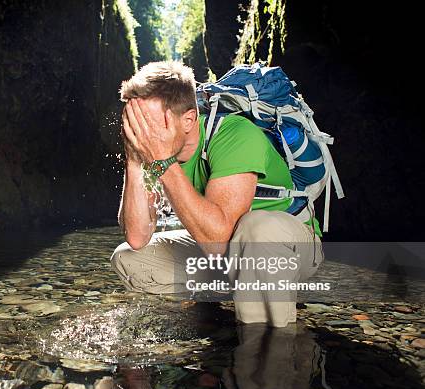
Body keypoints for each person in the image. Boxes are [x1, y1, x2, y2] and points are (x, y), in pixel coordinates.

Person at [110, 61, 323, 327]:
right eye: (135, 124)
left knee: (257, 229)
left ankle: (268, 346)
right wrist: (133, 157)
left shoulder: (236, 134)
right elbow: (137, 236)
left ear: (188, 119)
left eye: (149, 125)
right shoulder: (151, 147)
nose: (144, 135)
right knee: (130, 259)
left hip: (287, 245)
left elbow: (218, 242)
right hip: (227, 254)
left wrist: (163, 161)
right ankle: (235, 300)